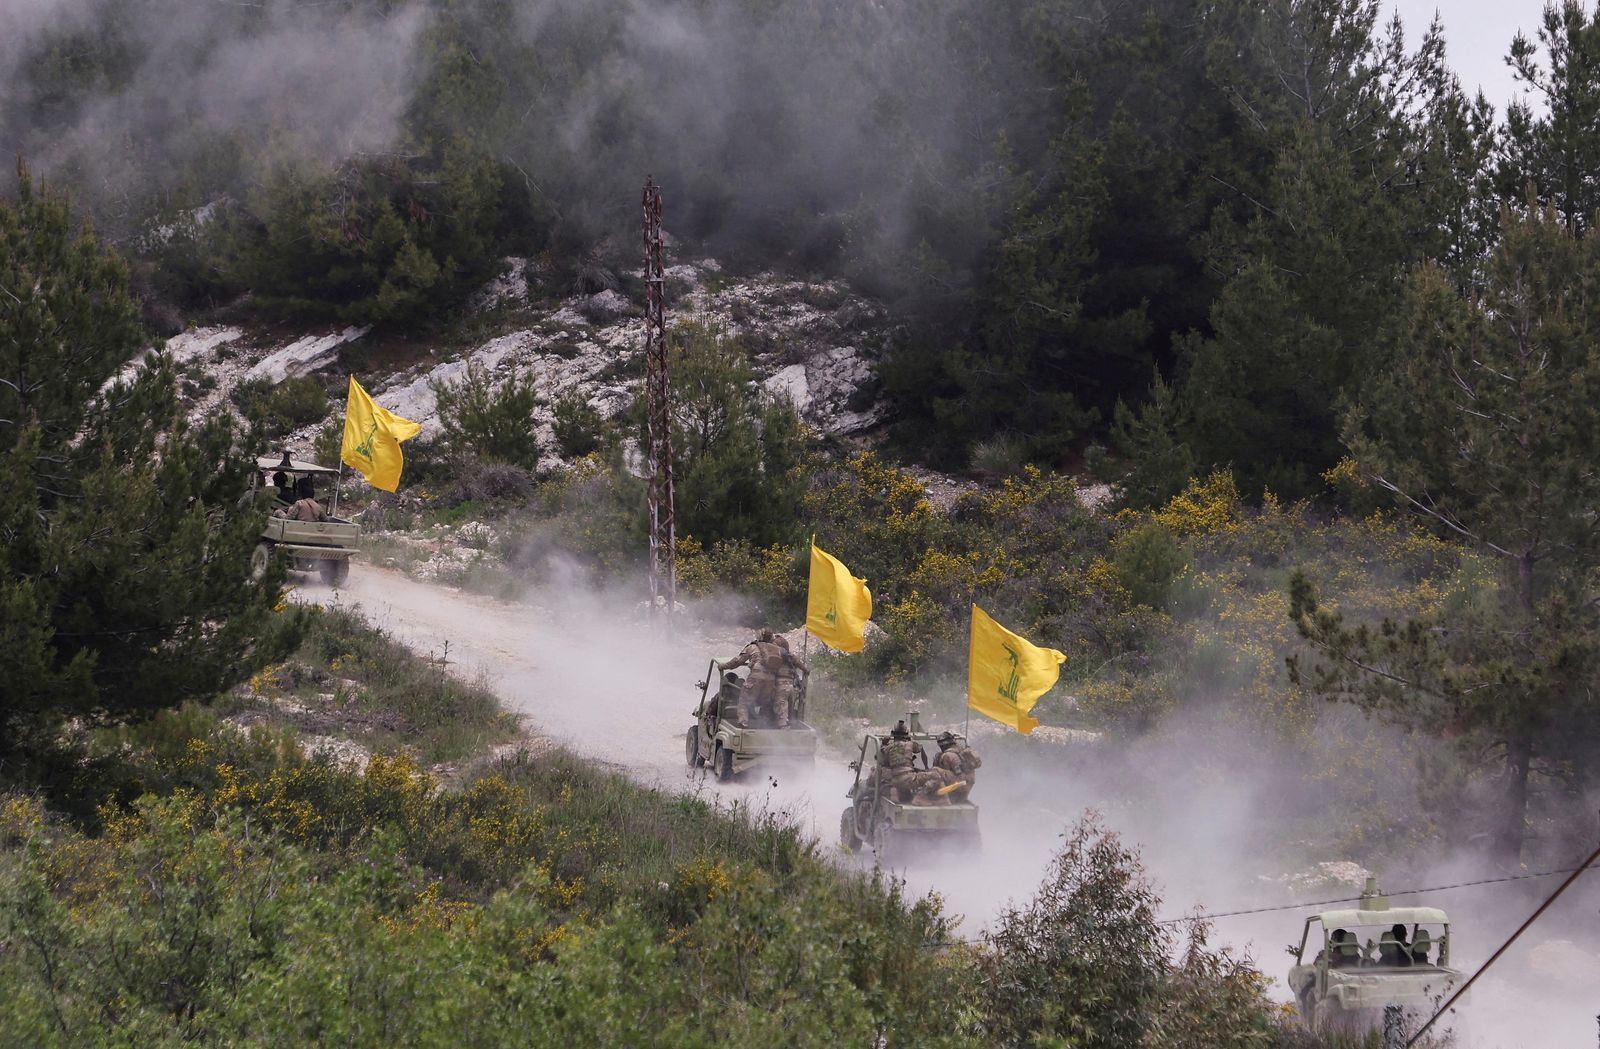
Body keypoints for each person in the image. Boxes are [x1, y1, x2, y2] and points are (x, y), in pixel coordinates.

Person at [718, 629, 785, 727]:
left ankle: (743, 722)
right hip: (771, 679)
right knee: (765, 702)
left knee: (744, 701)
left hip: (756, 677)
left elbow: (737, 661)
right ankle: (766, 724)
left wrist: (723, 666)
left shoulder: (752, 647)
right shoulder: (776, 650)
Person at [931, 730, 981, 802]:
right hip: (969, 783)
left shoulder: (947, 755)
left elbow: (946, 778)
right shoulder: (962, 750)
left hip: (959, 783)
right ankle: (962, 798)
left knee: (935, 771)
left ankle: (944, 799)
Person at [771, 634, 807, 728]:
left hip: (781, 686)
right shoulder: (791, 657)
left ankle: (783, 727)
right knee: (790, 709)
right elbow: (804, 668)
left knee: (780, 707)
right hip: (791, 686)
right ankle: (791, 724)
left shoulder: (776, 657)